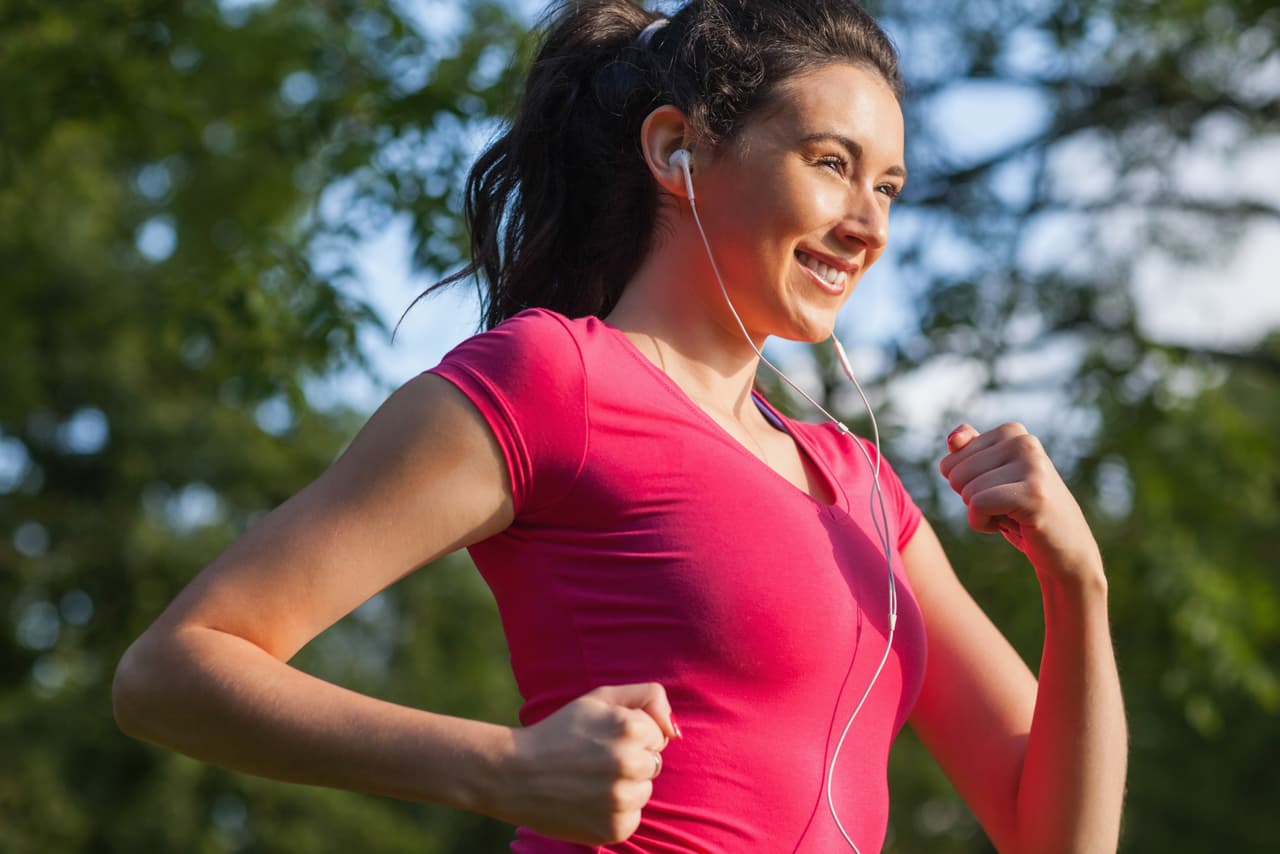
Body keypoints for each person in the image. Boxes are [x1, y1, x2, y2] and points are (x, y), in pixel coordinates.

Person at [112, 0, 1128, 851]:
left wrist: (1075, 582)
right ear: (677, 150)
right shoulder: (554, 380)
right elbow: (171, 670)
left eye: (889, 187)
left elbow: (1055, 837)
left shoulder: (863, 485)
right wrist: (501, 768)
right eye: (831, 162)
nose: (870, 226)